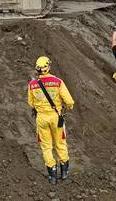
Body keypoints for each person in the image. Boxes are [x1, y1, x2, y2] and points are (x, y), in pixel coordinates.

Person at [27, 56, 75, 184]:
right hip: (56, 117)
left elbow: (31, 104)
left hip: (41, 118)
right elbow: (70, 102)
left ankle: (52, 176)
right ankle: (64, 172)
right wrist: (66, 107)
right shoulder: (58, 82)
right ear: (48, 67)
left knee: (46, 147)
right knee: (60, 143)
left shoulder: (32, 85)